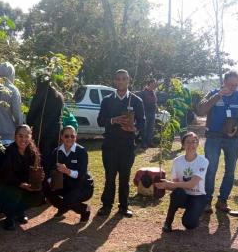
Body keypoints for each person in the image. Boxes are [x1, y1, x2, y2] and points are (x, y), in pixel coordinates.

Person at [197, 70, 238, 213]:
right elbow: (201, 110)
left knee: (230, 171)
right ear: (224, 82)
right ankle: (206, 201)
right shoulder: (213, 94)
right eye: (230, 84)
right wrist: (218, 96)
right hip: (213, 137)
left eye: (236, 85)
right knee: (211, 169)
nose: (233, 87)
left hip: (232, 139)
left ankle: (222, 201)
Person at [97, 69, 145, 218]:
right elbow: (100, 121)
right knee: (110, 177)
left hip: (127, 146)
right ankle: (106, 205)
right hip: (110, 145)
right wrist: (113, 120)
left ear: (128, 80)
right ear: (114, 81)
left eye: (124, 79)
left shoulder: (136, 101)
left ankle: (124, 207)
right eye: (118, 79)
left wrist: (134, 128)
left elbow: (142, 122)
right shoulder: (107, 100)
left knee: (125, 177)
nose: (121, 82)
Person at [155, 132, 209, 232]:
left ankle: (197, 212)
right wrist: (164, 186)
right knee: (177, 192)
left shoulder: (203, 161)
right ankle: (168, 222)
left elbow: (191, 184)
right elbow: (175, 186)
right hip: (183, 194)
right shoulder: (177, 161)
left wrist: (169, 184)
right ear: (183, 145)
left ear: (197, 144)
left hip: (198, 196)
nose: (191, 145)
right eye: (188, 142)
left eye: (194, 142)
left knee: (189, 224)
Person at [0, 125, 44, 230]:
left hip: (25, 184)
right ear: (15, 136)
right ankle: (9, 217)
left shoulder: (33, 152)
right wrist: (20, 184)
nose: (23, 139)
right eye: (20, 136)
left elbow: (36, 170)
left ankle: (19, 211)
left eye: (27, 136)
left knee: (38, 196)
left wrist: (39, 176)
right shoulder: (8, 151)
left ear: (31, 137)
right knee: (15, 192)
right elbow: (5, 176)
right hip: (7, 184)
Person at [43, 125, 94, 223]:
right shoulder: (56, 151)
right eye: (66, 136)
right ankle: (64, 207)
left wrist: (67, 171)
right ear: (61, 137)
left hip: (82, 185)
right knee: (46, 188)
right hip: (64, 184)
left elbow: (81, 174)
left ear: (76, 137)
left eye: (72, 136)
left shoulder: (81, 151)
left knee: (69, 198)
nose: (70, 138)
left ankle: (85, 210)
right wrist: (51, 182)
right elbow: (50, 170)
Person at [26, 78, 64, 160]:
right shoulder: (59, 96)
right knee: (53, 156)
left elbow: (31, 115)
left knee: (41, 156)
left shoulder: (40, 95)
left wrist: (29, 124)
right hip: (56, 132)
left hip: (41, 132)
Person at [139, 78, 158, 148]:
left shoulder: (154, 92)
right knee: (144, 128)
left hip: (152, 112)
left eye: (155, 84)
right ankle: (143, 143)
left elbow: (155, 101)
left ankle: (149, 142)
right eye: (153, 84)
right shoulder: (143, 92)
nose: (154, 86)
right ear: (149, 84)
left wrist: (156, 107)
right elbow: (140, 103)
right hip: (145, 112)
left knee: (151, 128)